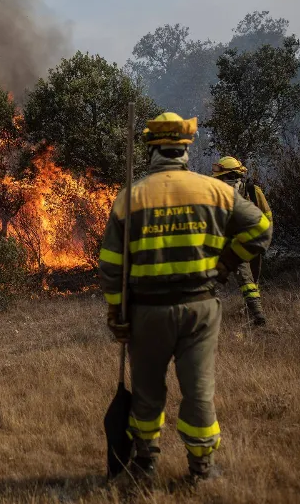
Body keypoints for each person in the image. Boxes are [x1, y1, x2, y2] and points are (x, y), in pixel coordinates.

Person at [98, 112, 272, 483]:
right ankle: (201, 469)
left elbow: (111, 264)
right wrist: (225, 264)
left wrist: (118, 310)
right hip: (200, 309)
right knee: (198, 392)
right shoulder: (217, 191)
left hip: (147, 314)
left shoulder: (131, 197)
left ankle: (144, 465)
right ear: (185, 150)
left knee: (146, 395)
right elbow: (260, 228)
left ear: (152, 150)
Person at [212, 156, 272, 326]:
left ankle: (251, 310)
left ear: (233, 176)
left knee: (253, 279)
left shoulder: (253, 191)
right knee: (246, 280)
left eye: (223, 178)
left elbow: (267, 215)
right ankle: (258, 315)